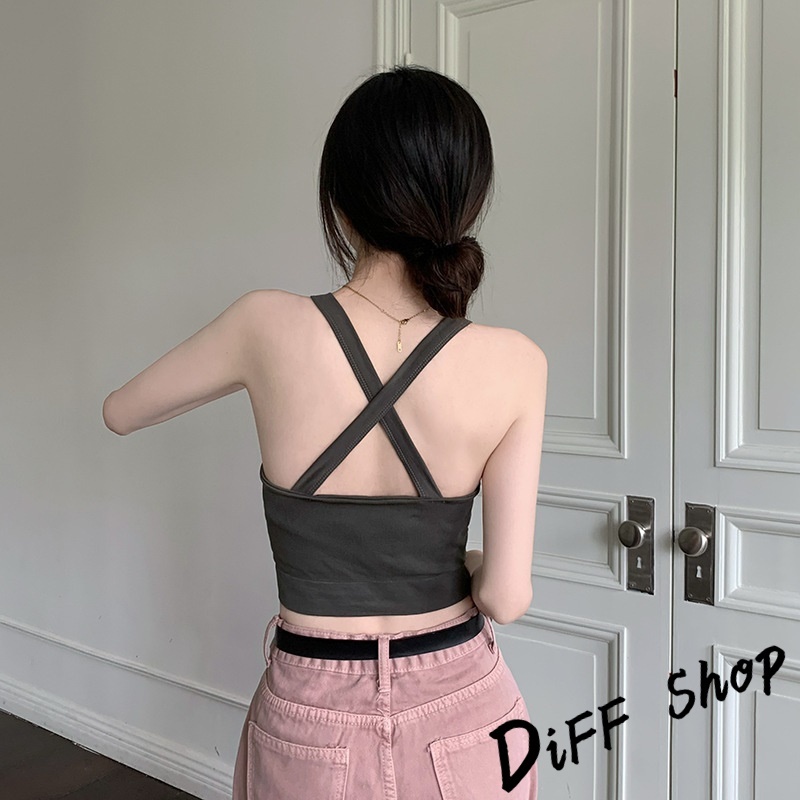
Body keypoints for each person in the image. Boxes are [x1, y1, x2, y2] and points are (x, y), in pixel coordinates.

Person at [104, 64, 546, 799]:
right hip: (467, 705)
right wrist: (464, 561)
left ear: (339, 200)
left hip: (311, 711)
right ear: (466, 200)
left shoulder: (263, 326)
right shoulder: (515, 362)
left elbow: (121, 411)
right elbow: (505, 597)